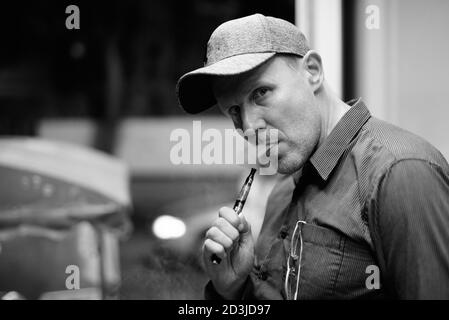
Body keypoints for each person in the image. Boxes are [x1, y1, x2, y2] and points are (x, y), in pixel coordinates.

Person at [176, 13, 449, 299]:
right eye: (234, 111)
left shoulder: (400, 173)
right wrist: (234, 290)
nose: (249, 126)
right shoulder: (283, 190)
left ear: (313, 71)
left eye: (261, 93)